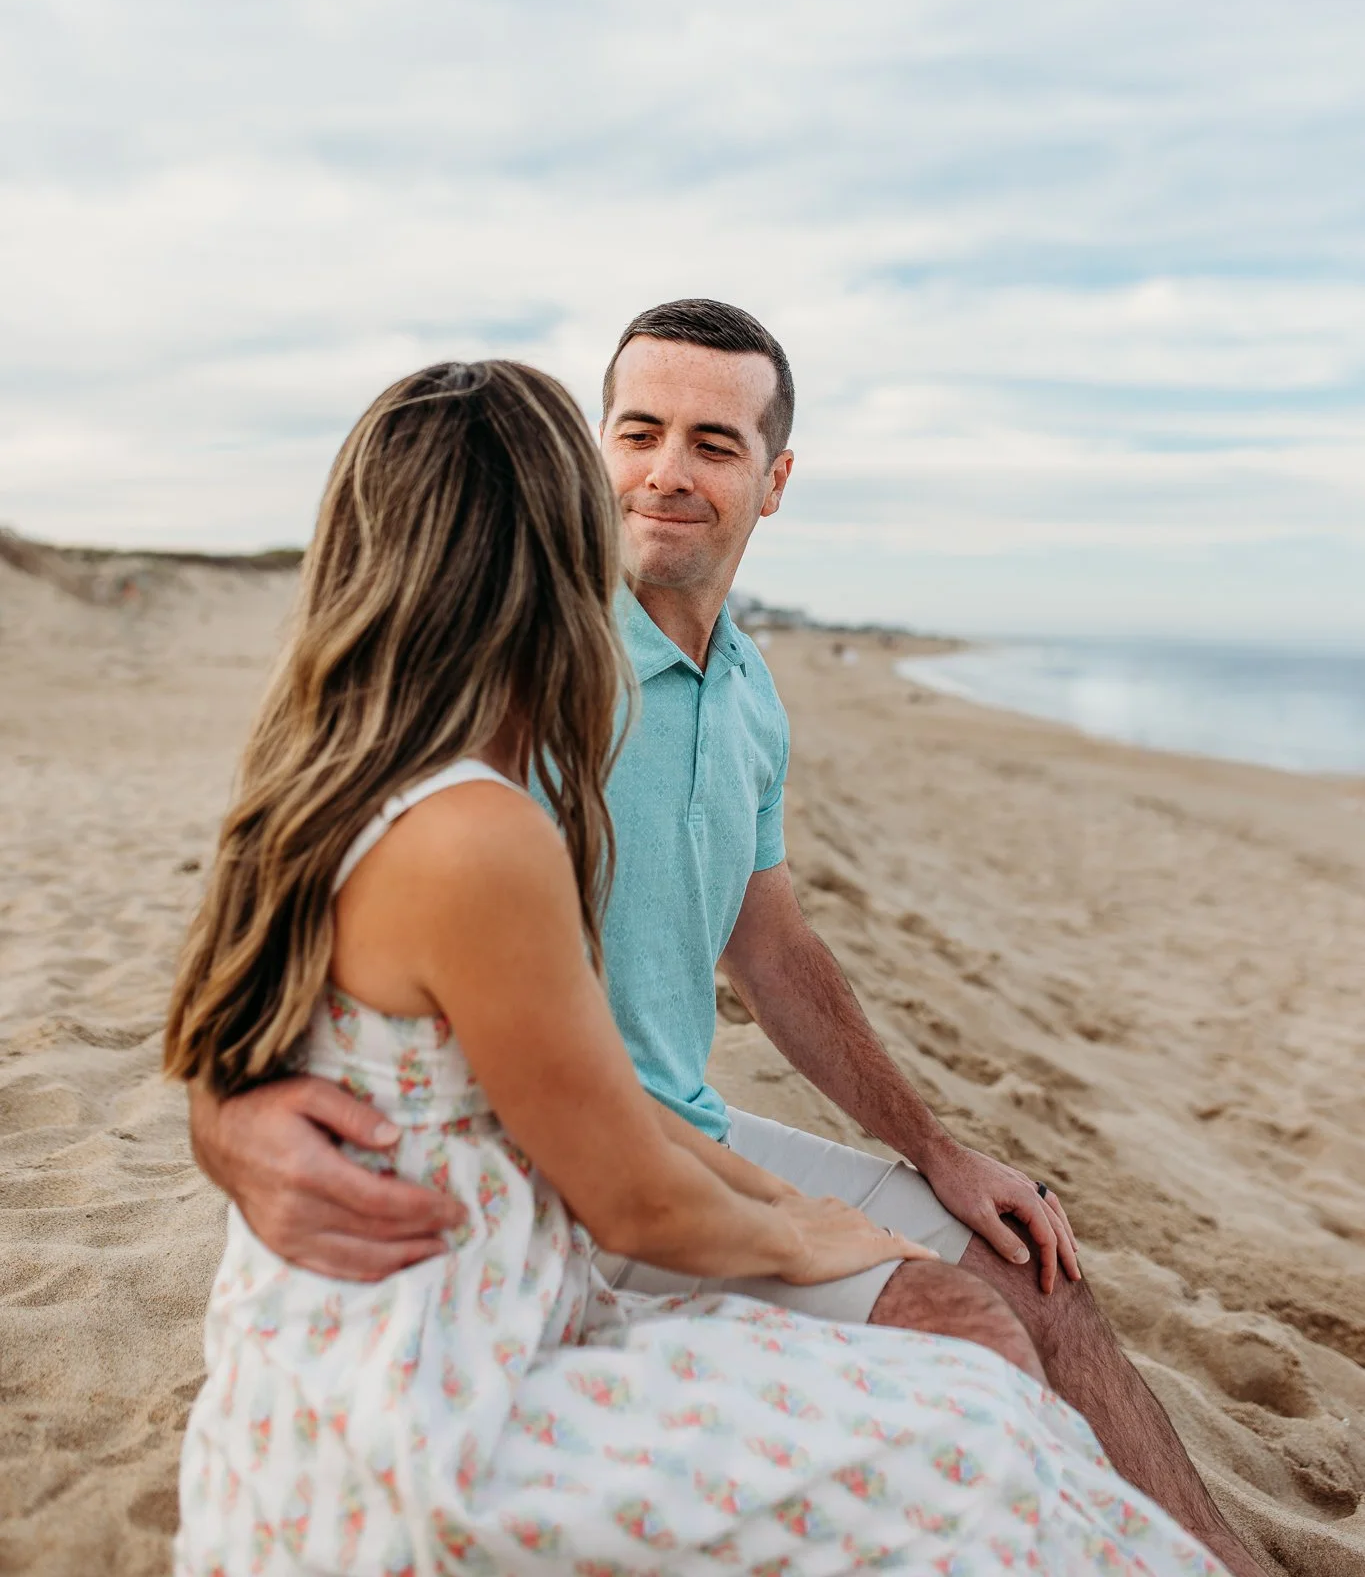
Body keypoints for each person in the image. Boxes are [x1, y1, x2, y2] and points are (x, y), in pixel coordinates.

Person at [191, 305, 1263, 1577]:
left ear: (775, 477)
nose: (665, 472)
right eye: (638, 432)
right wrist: (226, 1120)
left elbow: (772, 940)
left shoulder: (748, 683)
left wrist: (933, 1148)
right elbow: (296, 897)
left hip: (682, 1135)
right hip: (558, 1188)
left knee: (1032, 1269)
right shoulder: (519, 674)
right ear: (592, 456)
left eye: (711, 441)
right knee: (958, 1336)